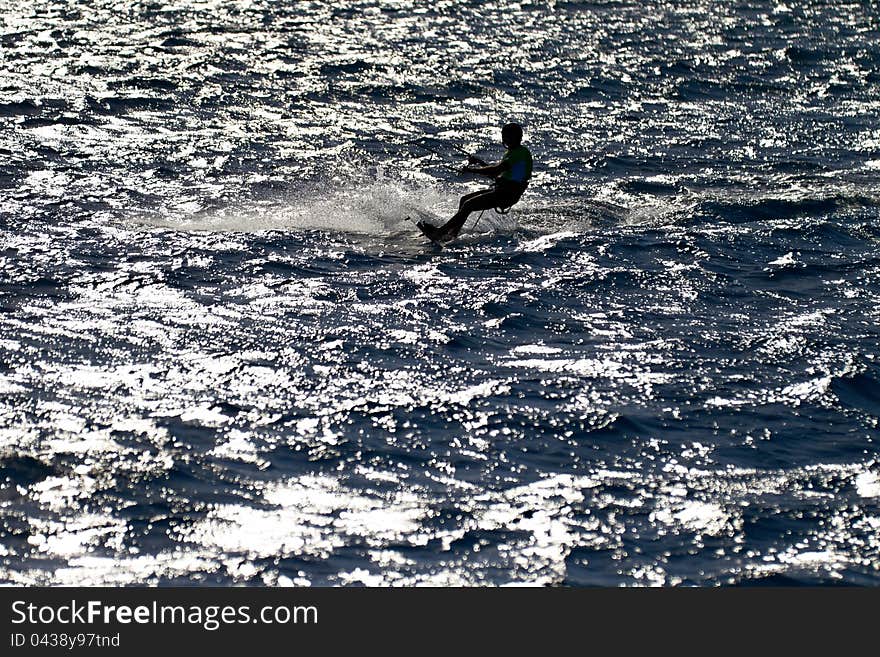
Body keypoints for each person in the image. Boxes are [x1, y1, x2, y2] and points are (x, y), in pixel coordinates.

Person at [418, 122, 533, 242]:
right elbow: (500, 173)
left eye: (508, 136)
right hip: (502, 191)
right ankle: (452, 234)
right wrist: (479, 162)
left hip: (507, 194)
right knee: (464, 200)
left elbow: (495, 170)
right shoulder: (512, 153)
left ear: (517, 137)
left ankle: (439, 233)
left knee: (468, 205)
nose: (505, 139)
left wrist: (471, 170)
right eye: (504, 135)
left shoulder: (520, 153)